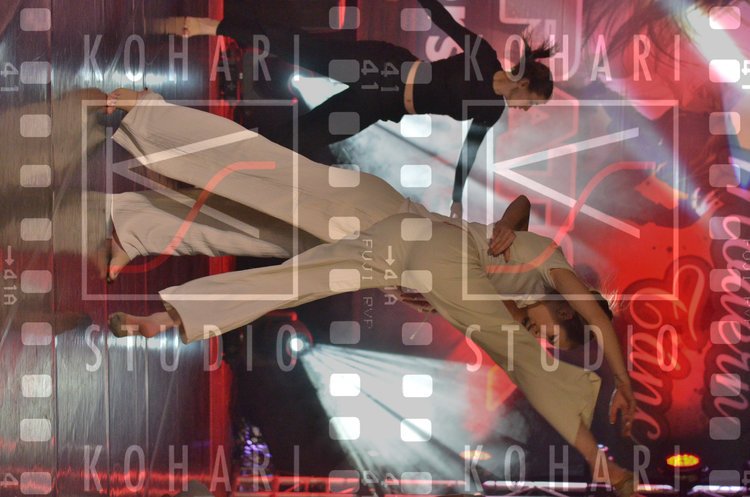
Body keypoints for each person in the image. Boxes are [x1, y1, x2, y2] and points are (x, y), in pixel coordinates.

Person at [103, 89, 637, 495]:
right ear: (566, 310)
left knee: (260, 234)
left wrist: (495, 232)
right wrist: (623, 383)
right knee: (265, 177)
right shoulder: (554, 271)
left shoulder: (508, 293)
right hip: (383, 218)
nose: (545, 338)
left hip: (398, 245)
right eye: (555, 335)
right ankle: (147, 117)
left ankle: (137, 228)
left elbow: (516, 218)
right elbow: (580, 306)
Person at [150, 0, 555, 218]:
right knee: (298, 48)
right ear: (524, 83)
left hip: (377, 104)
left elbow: (469, 153)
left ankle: (201, 173)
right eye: (530, 103)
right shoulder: (482, 56)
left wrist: (456, 201)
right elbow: (441, 17)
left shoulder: (491, 110)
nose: (524, 110)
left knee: (295, 141)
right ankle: (208, 26)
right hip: (379, 66)